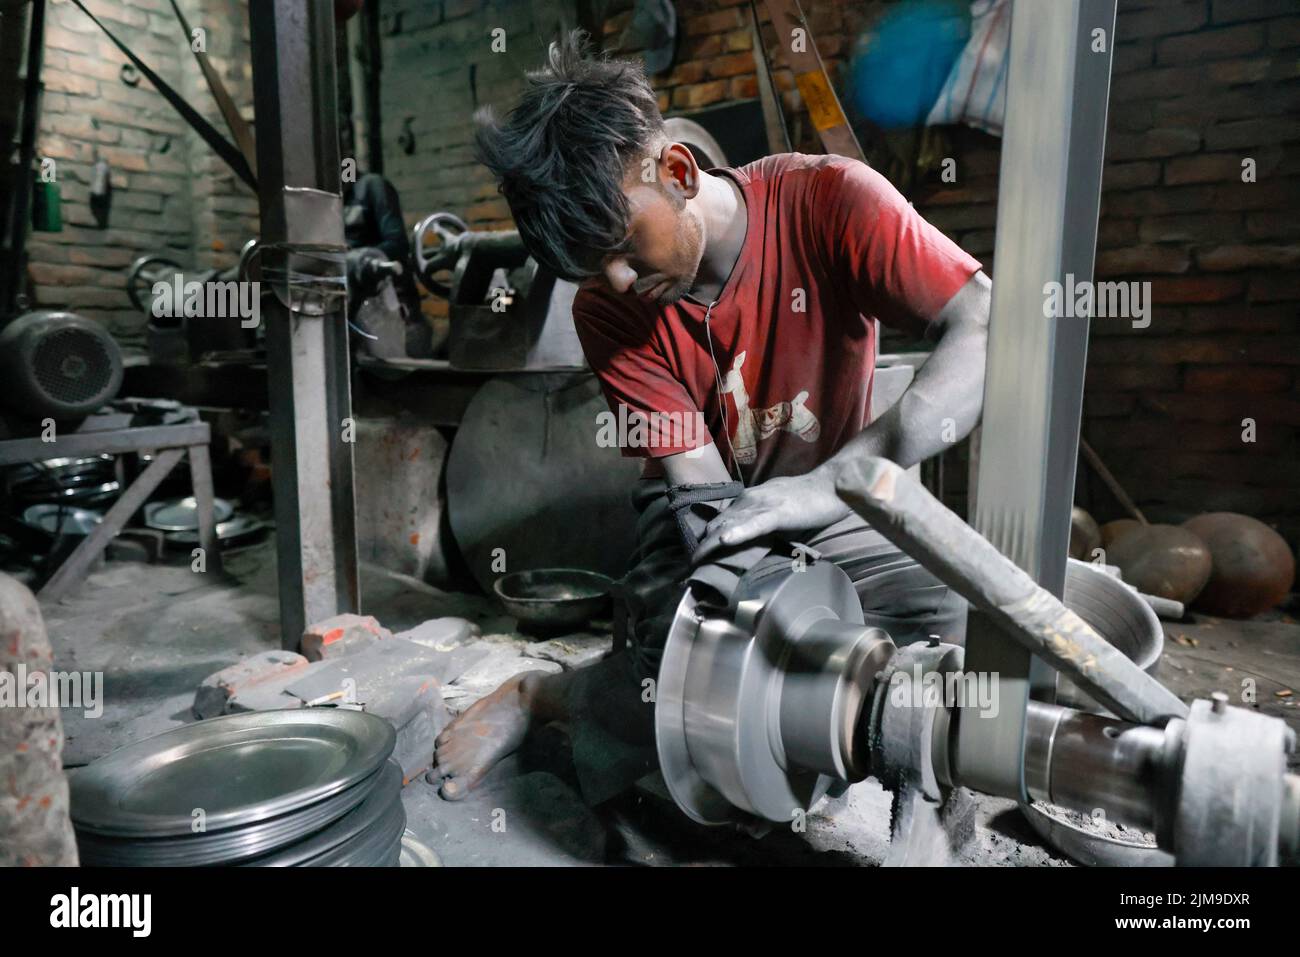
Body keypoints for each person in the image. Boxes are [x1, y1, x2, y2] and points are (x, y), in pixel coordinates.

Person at [431, 32, 990, 805]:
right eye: (592, 268)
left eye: (623, 247)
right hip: (713, 511)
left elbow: (982, 323)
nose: (617, 282)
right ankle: (546, 694)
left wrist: (840, 480)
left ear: (680, 172)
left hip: (845, 493)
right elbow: (699, 488)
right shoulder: (611, 310)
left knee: (964, 625)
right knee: (683, 688)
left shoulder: (832, 201)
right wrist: (750, 622)